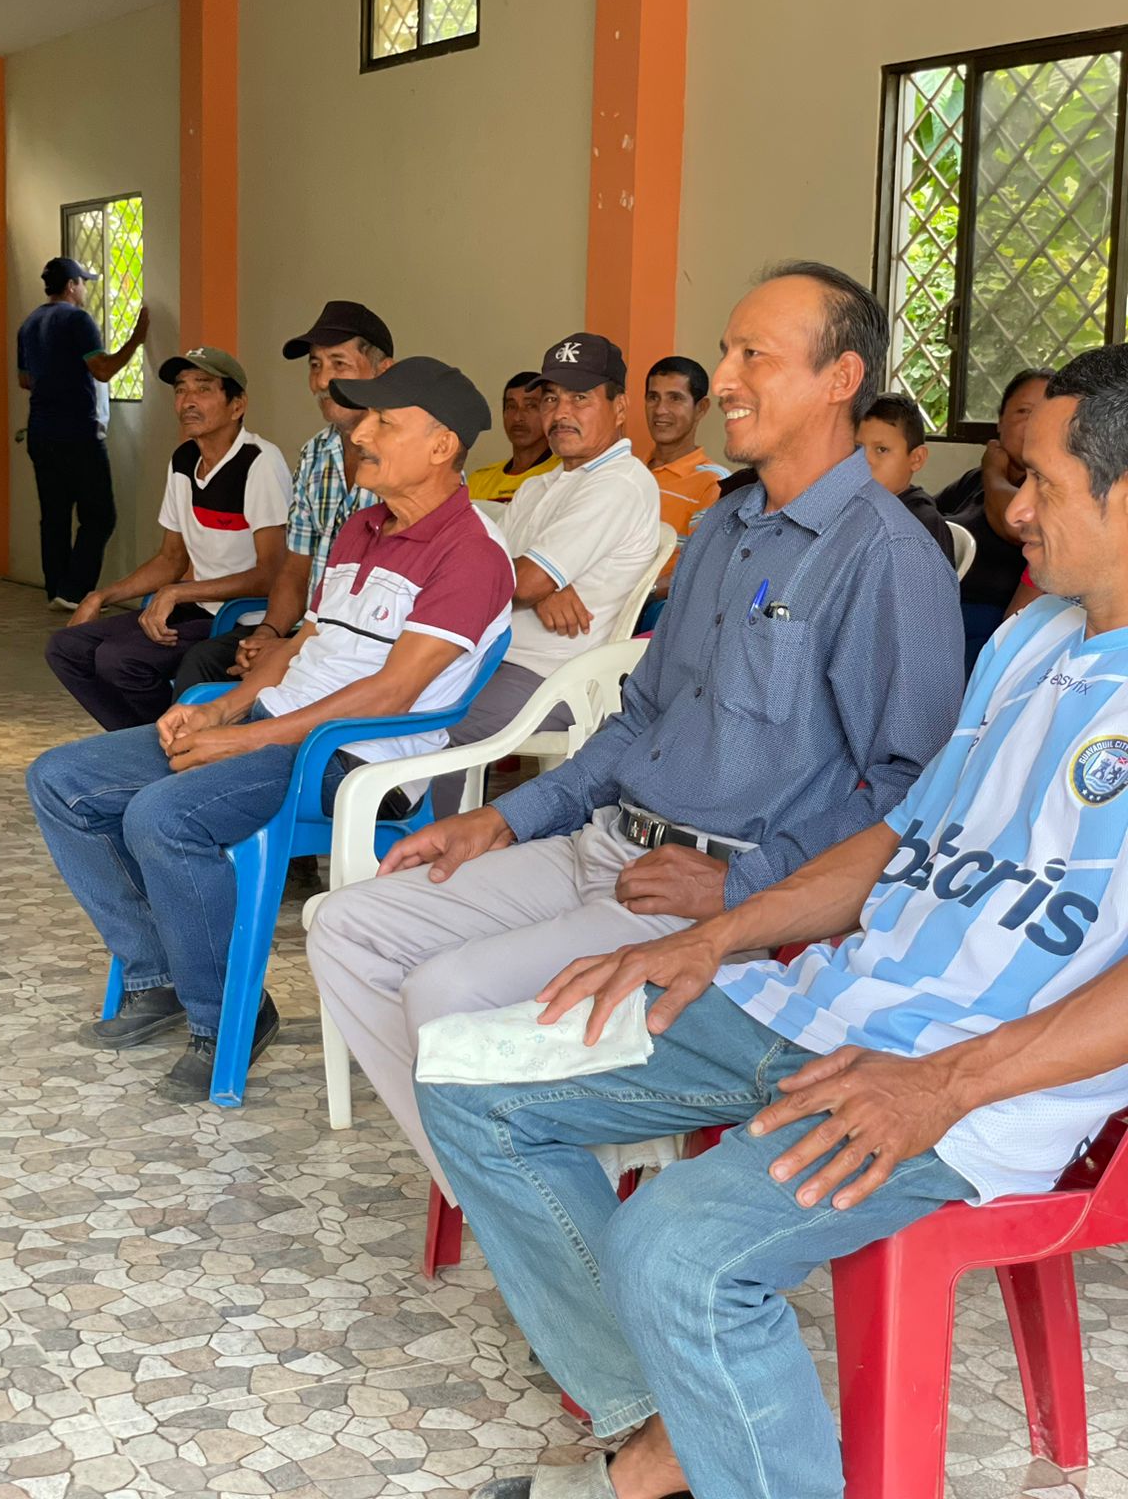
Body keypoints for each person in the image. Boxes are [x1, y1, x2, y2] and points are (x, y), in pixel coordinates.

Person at [415, 339, 1128, 1499]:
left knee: (676, 1250)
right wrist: (715, 935)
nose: (1012, 510)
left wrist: (943, 1085)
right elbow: (900, 839)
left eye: (1039, 481)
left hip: (972, 1082)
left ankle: (677, 1461)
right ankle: (667, 1435)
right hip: (822, 1001)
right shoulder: (1031, 637)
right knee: (467, 1076)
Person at [306, 261, 965, 1192]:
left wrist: (744, 884)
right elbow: (642, 714)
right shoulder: (724, 529)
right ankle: (512, 1196)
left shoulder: (887, 556)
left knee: (445, 991)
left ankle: (529, 1201)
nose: (723, 378)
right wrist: (509, 817)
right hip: (606, 842)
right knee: (346, 925)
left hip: (713, 892)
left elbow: (912, 789)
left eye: (754, 357)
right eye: (727, 351)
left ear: (840, 379)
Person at [26, 357, 514, 1100]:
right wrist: (224, 707)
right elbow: (305, 643)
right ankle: (161, 971)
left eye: (385, 423)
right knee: (60, 781)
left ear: (443, 445)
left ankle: (229, 1014)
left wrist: (244, 739)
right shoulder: (361, 527)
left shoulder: (472, 554)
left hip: (353, 758)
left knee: (164, 815)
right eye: (364, 420)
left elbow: (392, 691)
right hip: (279, 723)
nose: (361, 435)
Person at [429, 332, 661, 816]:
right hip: (491, 660)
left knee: (425, 724)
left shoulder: (620, 482)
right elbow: (499, 572)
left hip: (549, 678)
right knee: (387, 698)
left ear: (619, 407)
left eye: (580, 398)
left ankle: (423, 850)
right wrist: (534, 588)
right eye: (551, 399)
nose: (560, 413)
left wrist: (531, 584)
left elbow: (518, 578)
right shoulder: (540, 485)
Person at [44, 348, 291, 732]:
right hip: (198, 608)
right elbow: (171, 559)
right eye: (180, 390)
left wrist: (177, 593)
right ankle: (152, 740)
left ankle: (168, 741)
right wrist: (100, 596)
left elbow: (271, 574)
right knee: (67, 647)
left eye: (203, 389)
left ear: (237, 405)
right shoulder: (183, 461)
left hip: (244, 617)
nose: (188, 400)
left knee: (119, 660)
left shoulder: (259, 462)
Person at [172, 301, 394, 692]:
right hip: (307, 631)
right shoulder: (315, 454)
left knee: (243, 697)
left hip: (369, 647)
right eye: (315, 365)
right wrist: (270, 632)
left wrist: (294, 648)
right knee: (203, 663)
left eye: (339, 364)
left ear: (383, 370)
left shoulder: (414, 458)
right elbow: (294, 569)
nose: (322, 381)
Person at [16, 256, 150, 609]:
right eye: (83, 283)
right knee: (101, 515)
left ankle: (56, 589)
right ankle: (74, 592)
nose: (85, 290)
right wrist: (135, 340)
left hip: (40, 432)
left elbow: (25, 379)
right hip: (77, 433)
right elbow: (102, 370)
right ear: (72, 285)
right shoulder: (78, 320)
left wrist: (53, 379)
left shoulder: (30, 324)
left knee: (55, 516)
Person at [937, 368, 1054, 669]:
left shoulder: (1051, 490)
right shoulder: (975, 481)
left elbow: (1014, 525)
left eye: (1044, 412)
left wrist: (993, 470)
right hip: (934, 605)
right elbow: (927, 519)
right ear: (1000, 421)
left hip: (986, 624)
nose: (1033, 422)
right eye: (1023, 411)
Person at [642, 354, 727, 603]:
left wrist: (638, 595)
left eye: (675, 398)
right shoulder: (629, 471)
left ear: (701, 408)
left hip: (655, 611)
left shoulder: (714, 483)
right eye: (653, 397)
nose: (660, 410)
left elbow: (704, 569)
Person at [856, 392, 954, 564]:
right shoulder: (852, 508)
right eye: (857, 448)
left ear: (916, 459)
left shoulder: (922, 527)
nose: (863, 460)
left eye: (882, 450)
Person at [466, 372, 559, 502]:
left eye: (531, 406)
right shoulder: (479, 480)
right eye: (511, 406)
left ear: (550, 413)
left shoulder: (562, 473)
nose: (517, 417)